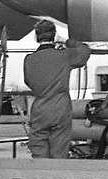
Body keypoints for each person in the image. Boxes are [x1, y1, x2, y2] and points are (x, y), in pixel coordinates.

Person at [22, 19, 91, 159]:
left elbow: (28, 81)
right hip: (60, 107)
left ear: (36, 36)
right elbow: (84, 51)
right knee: (59, 151)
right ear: (54, 35)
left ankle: (41, 177)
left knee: (38, 149)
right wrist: (68, 42)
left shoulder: (29, 59)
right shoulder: (64, 55)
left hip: (39, 108)